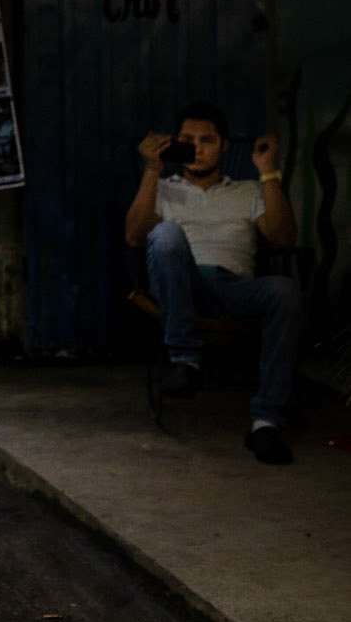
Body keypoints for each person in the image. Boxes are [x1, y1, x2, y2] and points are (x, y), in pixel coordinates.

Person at [125, 99, 302, 465]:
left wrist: (267, 172)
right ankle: (186, 361)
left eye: (207, 140)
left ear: (223, 146)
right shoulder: (163, 188)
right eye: (187, 140)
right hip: (182, 286)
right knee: (166, 234)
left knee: (284, 291)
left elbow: (284, 238)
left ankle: (267, 423)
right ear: (175, 142)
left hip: (234, 288)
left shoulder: (248, 191)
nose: (197, 148)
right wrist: (152, 170)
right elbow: (135, 237)